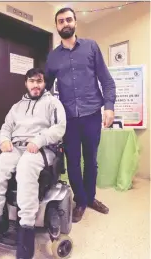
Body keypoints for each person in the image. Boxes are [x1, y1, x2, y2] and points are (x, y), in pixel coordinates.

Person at [0, 68, 66, 259]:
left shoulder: (53, 103)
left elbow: (59, 128)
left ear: (44, 83)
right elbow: (6, 127)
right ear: (26, 83)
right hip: (17, 147)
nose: (36, 85)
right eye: (32, 81)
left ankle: (26, 228)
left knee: (25, 168)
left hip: (41, 148)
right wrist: (4, 139)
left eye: (39, 81)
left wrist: (38, 141)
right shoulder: (17, 106)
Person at [45, 7, 116, 223]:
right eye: (60, 21)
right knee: (73, 162)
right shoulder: (53, 57)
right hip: (68, 120)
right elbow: (45, 88)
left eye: (68, 20)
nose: (65, 24)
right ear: (57, 26)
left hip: (92, 114)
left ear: (75, 22)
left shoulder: (91, 47)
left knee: (91, 161)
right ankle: (81, 200)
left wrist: (109, 106)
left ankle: (91, 197)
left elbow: (106, 79)